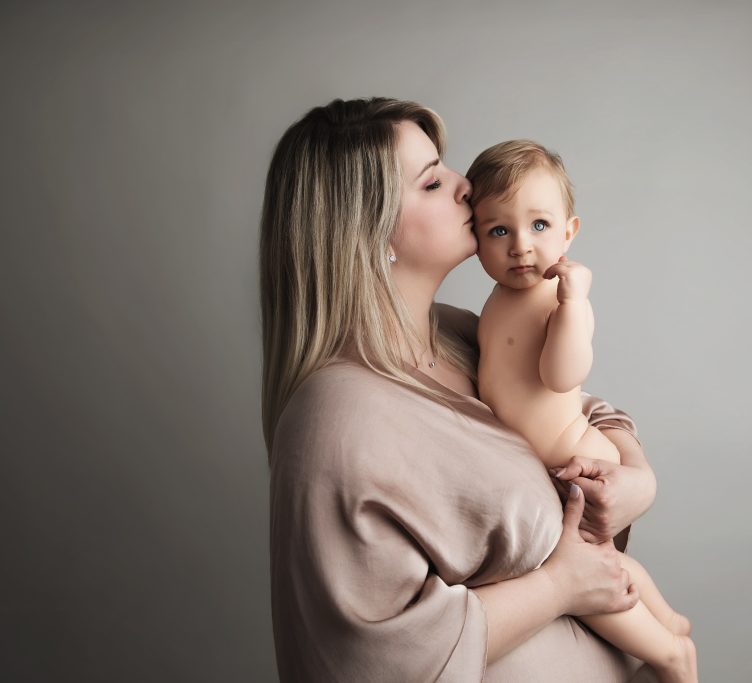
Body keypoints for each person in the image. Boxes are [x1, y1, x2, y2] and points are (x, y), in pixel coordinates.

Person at [260, 97, 698, 682]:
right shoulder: (336, 415)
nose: (466, 186)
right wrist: (558, 585)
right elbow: (364, 653)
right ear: (370, 229)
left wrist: (636, 479)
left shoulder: (457, 333)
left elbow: (579, 407)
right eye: (433, 180)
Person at [466, 140, 694, 682]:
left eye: (540, 226)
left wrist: (573, 305)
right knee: (601, 563)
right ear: (475, 239)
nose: (521, 246)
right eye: (499, 231)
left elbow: (563, 376)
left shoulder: (559, 300)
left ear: (569, 232)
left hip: (575, 462)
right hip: (547, 465)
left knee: (580, 576)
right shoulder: (497, 299)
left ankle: (670, 655)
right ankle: (670, 620)